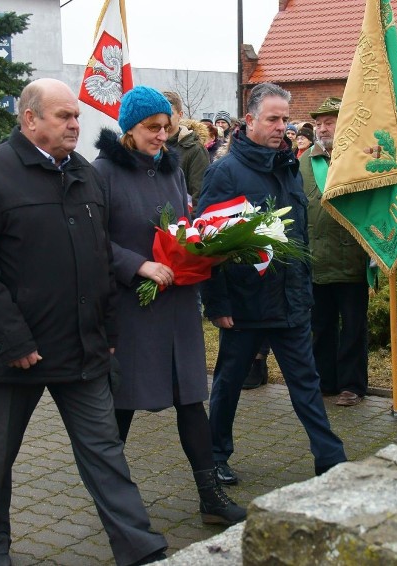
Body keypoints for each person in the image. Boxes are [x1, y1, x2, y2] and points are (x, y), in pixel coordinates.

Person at [0, 78, 168, 566]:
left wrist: (108, 331)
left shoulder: (85, 175)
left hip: (81, 345)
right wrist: (13, 338)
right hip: (16, 354)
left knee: (105, 453)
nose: (76, 124)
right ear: (30, 120)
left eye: (76, 116)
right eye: (64, 116)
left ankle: (139, 545)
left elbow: (98, 258)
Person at [92, 85, 246, 526]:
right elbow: (92, 241)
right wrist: (136, 264)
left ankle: (211, 497)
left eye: (166, 127)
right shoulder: (101, 173)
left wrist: (204, 243)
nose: (162, 135)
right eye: (151, 128)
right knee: (121, 406)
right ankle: (113, 502)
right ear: (128, 129)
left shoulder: (173, 171)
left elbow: (180, 227)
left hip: (177, 304)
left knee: (191, 399)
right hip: (133, 308)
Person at [197, 82, 347, 485]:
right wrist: (217, 304)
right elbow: (205, 240)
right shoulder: (225, 172)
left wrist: (303, 287)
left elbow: (297, 233)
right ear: (249, 121)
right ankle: (213, 457)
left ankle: (330, 459)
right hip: (245, 303)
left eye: (286, 119)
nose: (282, 126)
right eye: (273, 119)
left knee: (306, 382)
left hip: (291, 299)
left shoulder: (288, 165)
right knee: (229, 382)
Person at [301, 96, 370, 407]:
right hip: (315, 258)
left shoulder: (362, 158)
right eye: (319, 123)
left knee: (353, 326)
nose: (322, 128)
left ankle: (353, 384)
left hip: (352, 258)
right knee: (320, 326)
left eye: (329, 122)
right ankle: (324, 381)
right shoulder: (304, 161)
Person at [161, 91, 211, 201]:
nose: (164, 119)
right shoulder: (151, 147)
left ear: (180, 115)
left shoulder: (195, 150)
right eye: (160, 114)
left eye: (170, 113)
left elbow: (200, 196)